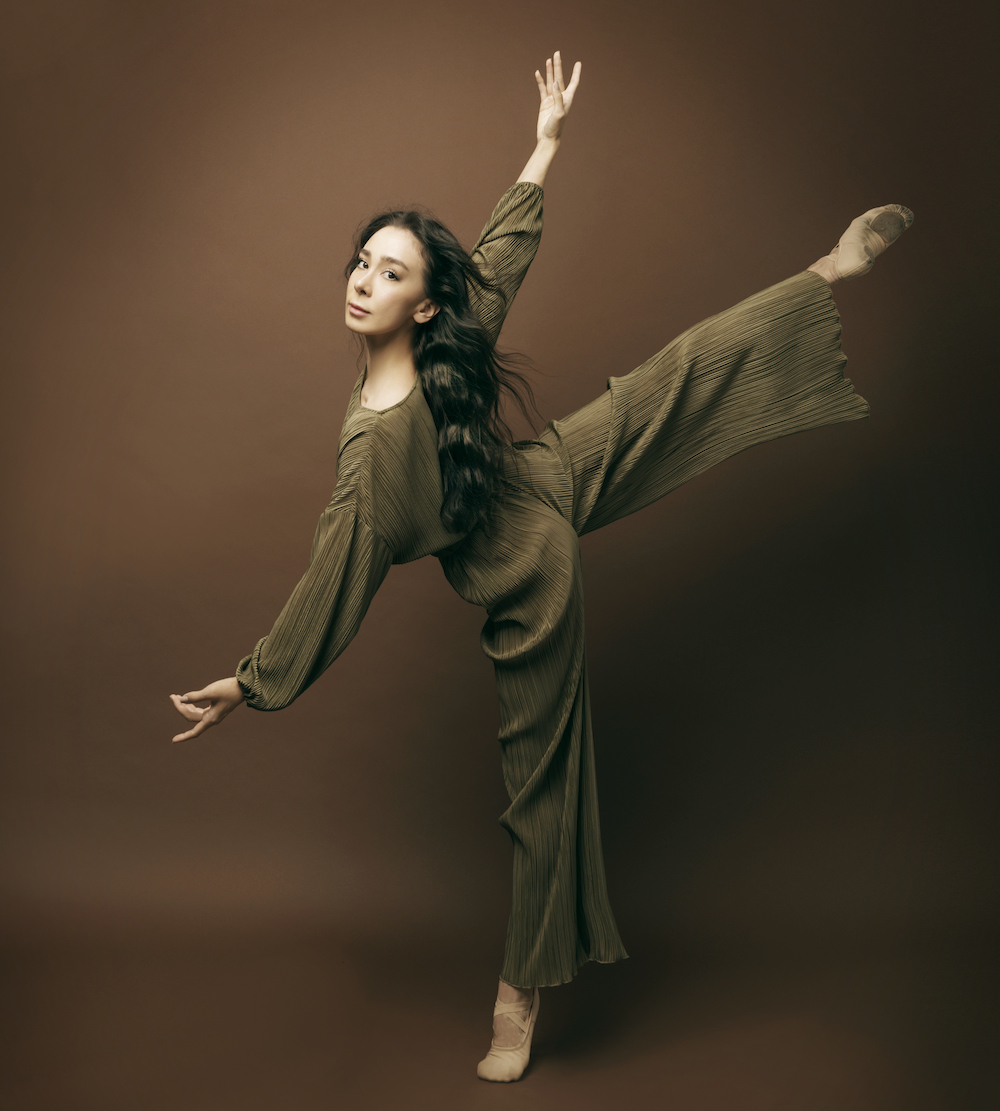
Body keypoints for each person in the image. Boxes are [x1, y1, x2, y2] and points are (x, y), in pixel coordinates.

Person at [168, 52, 913, 1083]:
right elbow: (333, 579)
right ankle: (521, 992)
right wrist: (256, 681)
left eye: (391, 271)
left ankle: (827, 271)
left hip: (537, 507)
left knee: (669, 379)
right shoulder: (383, 442)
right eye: (362, 263)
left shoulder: (422, 377)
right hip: (525, 547)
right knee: (542, 783)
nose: (364, 280)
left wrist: (545, 144)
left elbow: (494, 263)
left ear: (424, 306)